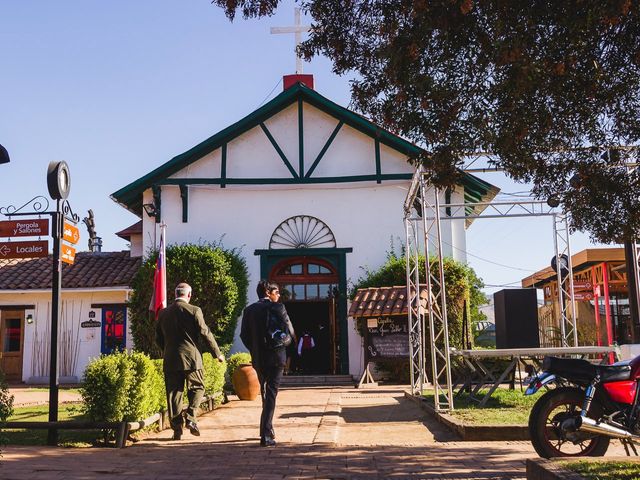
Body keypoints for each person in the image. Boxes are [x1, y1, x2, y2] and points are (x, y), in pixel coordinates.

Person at [156, 282, 224, 440]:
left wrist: (167, 350)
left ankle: (176, 429)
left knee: (174, 394)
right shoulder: (194, 310)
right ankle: (191, 417)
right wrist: (217, 353)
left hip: (171, 358)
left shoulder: (163, 313)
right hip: (192, 359)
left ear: (175, 294)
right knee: (198, 387)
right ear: (189, 295)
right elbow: (205, 332)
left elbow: (157, 338)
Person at [240, 280, 295, 447]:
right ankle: (266, 433)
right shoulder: (278, 307)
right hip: (277, 356)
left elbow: (244, 335)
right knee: (271, 393)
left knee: (265, 392)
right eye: (276, 292)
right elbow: (290, 331)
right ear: (267, 291)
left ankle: (266, 427)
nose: (278, 295)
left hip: (258, 358)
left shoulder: (249, 310)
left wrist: (255, 349)